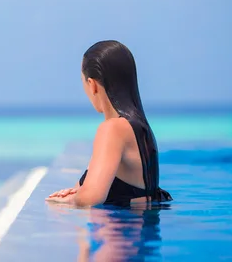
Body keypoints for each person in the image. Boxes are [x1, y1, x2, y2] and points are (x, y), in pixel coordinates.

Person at [46, 40, 172, 207]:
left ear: (92, 85)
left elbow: (91, 198)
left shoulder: (113, 129)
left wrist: (72, 199)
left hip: (119, 231)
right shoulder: (139, 126)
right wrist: (77, 192)